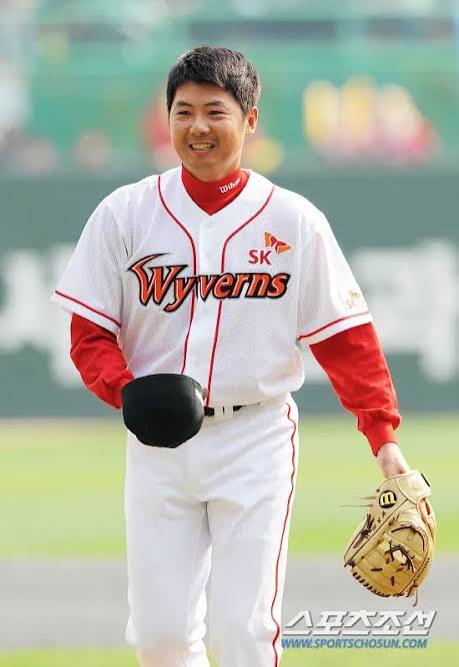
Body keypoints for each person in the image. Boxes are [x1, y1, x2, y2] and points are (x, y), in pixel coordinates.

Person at [51, 46, 430, 667]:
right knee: (160, 636)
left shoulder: (293, 221)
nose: (197, 126)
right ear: (168, 119)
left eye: (215, 111)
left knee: (244, 632)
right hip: (158, 445)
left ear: (250, 120)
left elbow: (346, 341)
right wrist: (123, 389)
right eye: (183, 112)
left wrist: (384, 438)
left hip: (255, 437)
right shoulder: (126, 214)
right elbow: (88, 331)